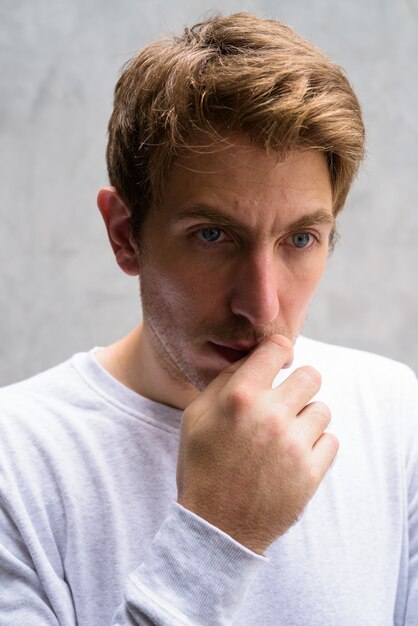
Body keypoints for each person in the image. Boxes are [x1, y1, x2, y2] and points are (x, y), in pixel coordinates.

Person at [0, 12, 417, 625]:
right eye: (214, 235)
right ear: (124, 235)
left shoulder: (395, 415)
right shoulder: (15, 462)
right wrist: (216, 536)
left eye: (301, 239)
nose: (262, 305)